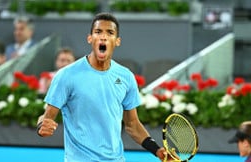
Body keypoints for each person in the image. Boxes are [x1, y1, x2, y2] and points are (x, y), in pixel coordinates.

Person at [37, 12, 172, 162]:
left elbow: (132, 124)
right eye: (98, 32)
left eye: (110, 33)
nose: (103, 37)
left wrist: (157, 150)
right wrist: (42, 127)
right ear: (90, 38)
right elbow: (46, 117)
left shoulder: (126, 77)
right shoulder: (66, 75)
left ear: (117, 41)